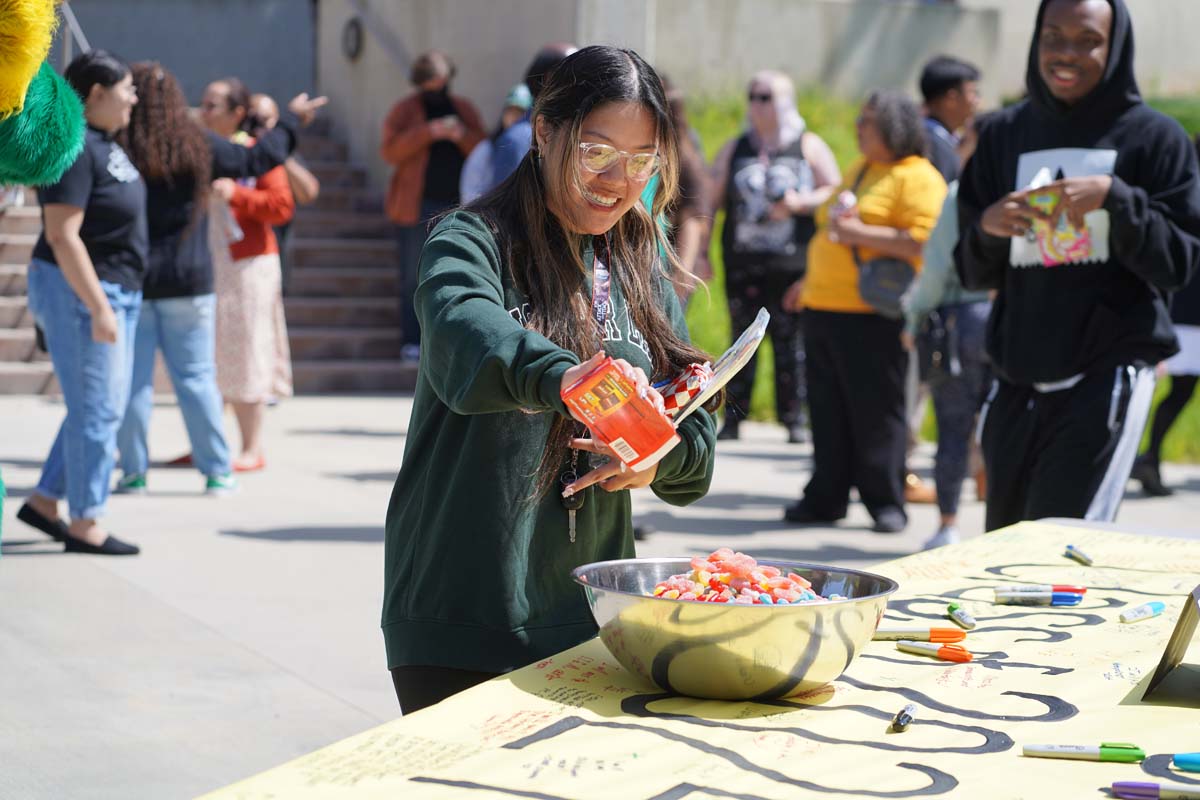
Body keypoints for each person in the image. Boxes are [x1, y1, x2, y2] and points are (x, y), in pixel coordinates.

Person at [383, 45, 719, 714]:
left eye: (642, 161)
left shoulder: (639, 257)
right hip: (464, 613)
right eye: (596, 152)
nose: (618, 179)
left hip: (597, 614)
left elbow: (695, 444)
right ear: (544, 132)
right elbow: (467, 344)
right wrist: (578, 379)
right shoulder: (469, 241)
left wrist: (659, 455)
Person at [956, 0, 1200, 531]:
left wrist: (1117, 199)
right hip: (1016, 375)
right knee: (1002, 544)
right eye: (1053, 36)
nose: (1066, 53)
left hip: (1107, 372)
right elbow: (970, 272)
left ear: (1115, 48)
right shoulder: (1002, 134)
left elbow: (1179, 264)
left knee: (1062, 546)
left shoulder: (1156, 139)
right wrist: (989, 230)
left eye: (1087, 39)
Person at [112, 64, 321, 495]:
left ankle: (133, 470)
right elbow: (255, 157)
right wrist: (288, 121)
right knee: (197, 377)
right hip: (189, 277)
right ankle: (215, 469)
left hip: (136, 277)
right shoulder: (196, 143)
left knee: (134, 382)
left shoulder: (119, 147)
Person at [782, 90, 947, 534]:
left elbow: (925, 243)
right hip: (825, 307)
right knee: (828, 410)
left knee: (878, 414)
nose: (858, 127)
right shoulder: (861, 168)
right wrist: (808, 282)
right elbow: (831, 230)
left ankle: (885, 500)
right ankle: (827, 495)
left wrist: (861, 232)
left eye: (868, 121)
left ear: (894, 128)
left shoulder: (919, 178)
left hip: (874, 316)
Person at [16, 51, 143, 555]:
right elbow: (62, 235)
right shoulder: (72, 148)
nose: (133, 98)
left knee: (98, 407)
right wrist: (98, 306)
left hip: (114, 288)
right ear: (95, 94)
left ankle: (47, 501)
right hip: (84, 291)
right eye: (126, 88)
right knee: (97, 411)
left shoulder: (104, 143)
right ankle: (86, 521)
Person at [712, 71, 840, 443]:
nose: (757, 103)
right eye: (753, 95)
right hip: (743, 264)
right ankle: (735, 417)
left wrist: (801, 202)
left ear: (785, 101)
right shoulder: (737, 147)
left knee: (791, 344)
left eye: (766, 96)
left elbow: (835, 190)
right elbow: (711, 196)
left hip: (792, 264)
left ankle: (793, 418)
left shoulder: (807, 145)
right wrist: (700, 249)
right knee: (741, 343)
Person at [902, 122, 993, 549]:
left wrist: (914, 317)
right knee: (1002, 425)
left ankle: (949, 524)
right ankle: (1001, 523)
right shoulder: (1025, 192)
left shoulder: (962, 196)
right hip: (1015, 321)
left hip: (961, 319)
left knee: (954, 426)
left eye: (964, 141)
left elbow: (935, 270)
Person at [200, 77, 296, 472]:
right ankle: (209, 440)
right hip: (213, 260)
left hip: (250, 263)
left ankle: (251, 447)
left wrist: (237, 194)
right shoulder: (203, 150)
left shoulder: (255, 152)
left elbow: (281, 205)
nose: (203, 113)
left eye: (212, 106)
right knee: (212, 352)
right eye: (202, 104)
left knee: (247, 350)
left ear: (237, 114)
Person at [380, 50, 486, 362]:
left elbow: (482, 147)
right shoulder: (405, 110)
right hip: (416, 205)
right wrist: (429, 132)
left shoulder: (462, 108)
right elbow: (390, 151)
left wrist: (460, 134)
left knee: (457, 271)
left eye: (441, 81)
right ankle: (412, 341)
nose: (437, 87)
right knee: (414, 274)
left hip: (459, 204)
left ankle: (448, 340)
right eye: (431, 81)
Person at [1131, 137, 1200, 497]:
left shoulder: (1183, 182)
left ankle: (1146, 457)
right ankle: (1146, 457)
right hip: (1191, 308)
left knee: (1179, 389)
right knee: (1180, 389)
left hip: (1181, 304)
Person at [247, 92, 321, 296]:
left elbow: (309, 192)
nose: (260, 126)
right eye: (255, 119)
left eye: (267, 119)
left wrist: (277, 154)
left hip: (275, 250)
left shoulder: (284, 153)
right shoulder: (236, 149)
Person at [487, 42, 578, 190]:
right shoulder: (519, 139)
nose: (581, 83)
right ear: (549, 79)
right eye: (573, 74)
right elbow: (506, 204)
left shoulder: (575, 131)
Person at [458, 83, 532, 205]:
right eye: (511, 111)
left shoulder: (534, 148)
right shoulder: (486, 148)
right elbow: (469, 190)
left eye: (520, 112)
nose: (514, 117)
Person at [919, 56, 982, 184]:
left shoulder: (944, 138)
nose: (977, 101)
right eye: (973, 92)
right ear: (951, 99)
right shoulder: (929, 144)